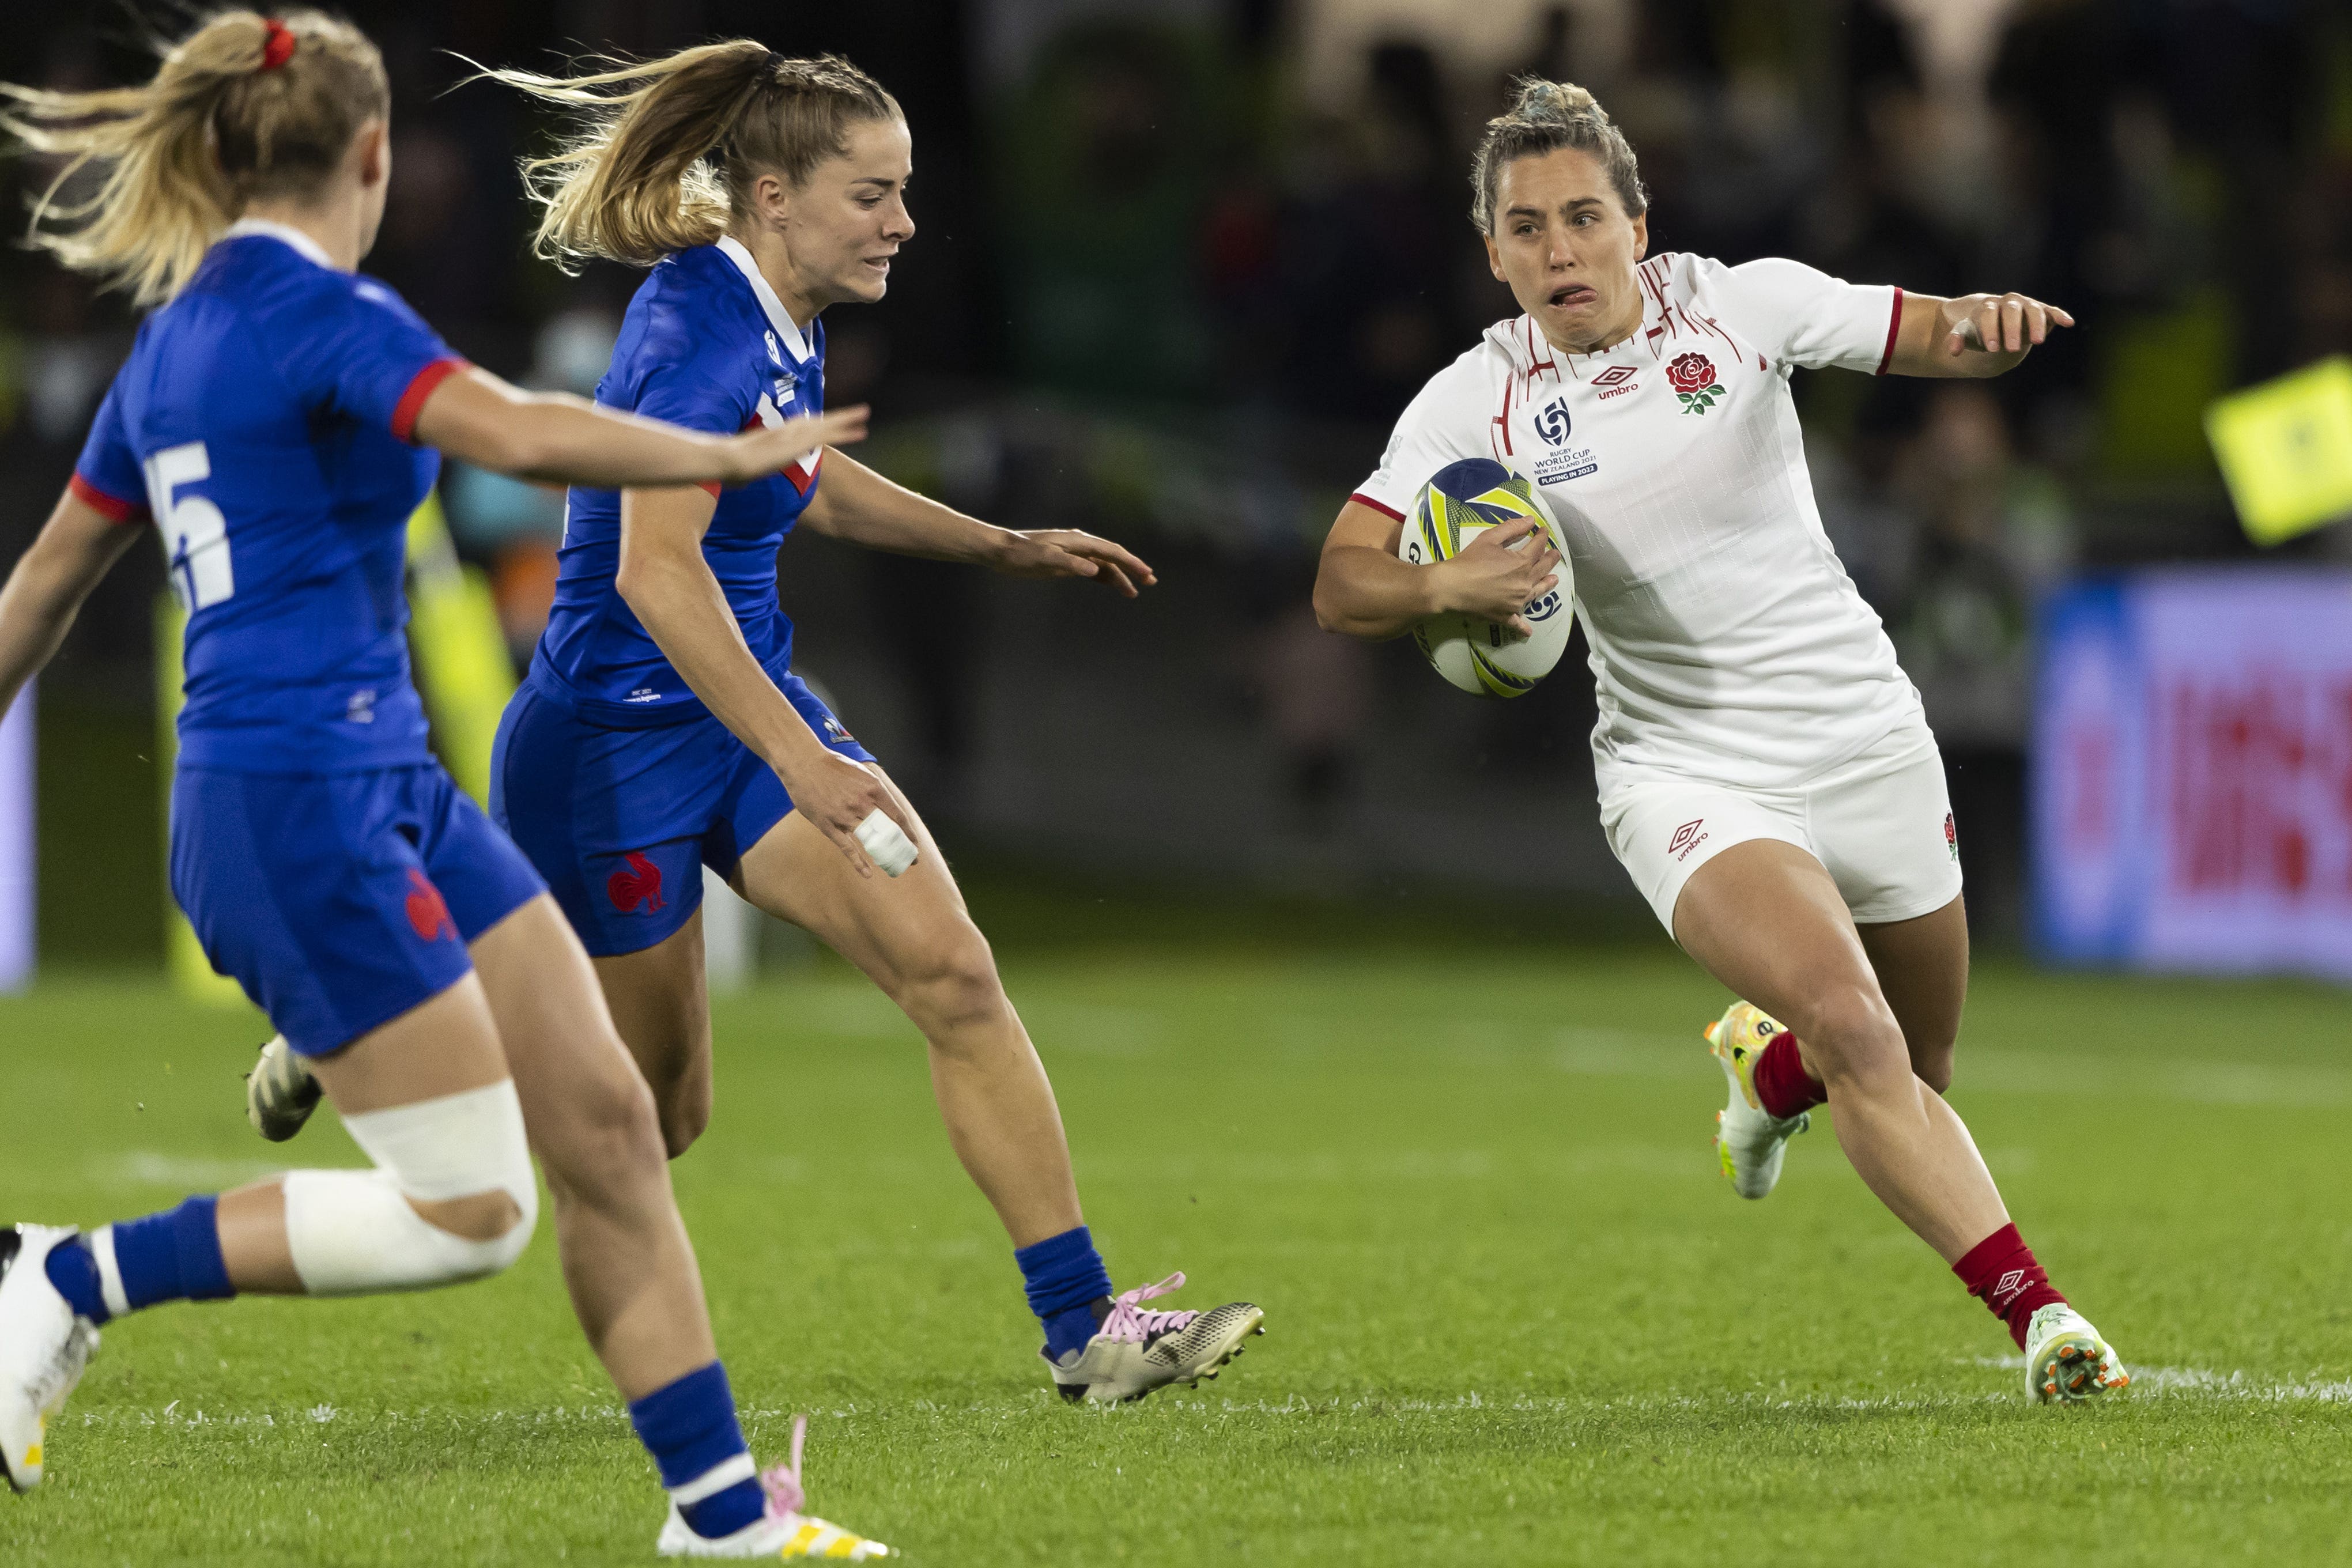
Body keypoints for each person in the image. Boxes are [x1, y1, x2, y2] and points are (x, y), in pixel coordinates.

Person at [251, 41, 1266, 1405]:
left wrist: (999, 544)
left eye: (903, 192)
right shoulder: (694, 329)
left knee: (954, 976)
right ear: (776, 196)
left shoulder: (780, 309)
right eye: (874, 195)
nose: (903, 221)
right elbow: (648, 572)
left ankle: (1085, 1333)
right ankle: (363, 1001)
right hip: (608, 756)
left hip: (743, 724)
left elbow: (807, 476)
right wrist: (803, 755)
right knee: (660, 1117)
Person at [0, 13, 887, 1556]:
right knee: (474, 1209)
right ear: (369, 154)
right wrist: (729, 458)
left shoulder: (178, 338)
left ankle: (721, 1522)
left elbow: (37, 596)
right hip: (296, 805)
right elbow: (520, 429)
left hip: (373, 781)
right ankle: (68, 1277)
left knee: (612, 1120)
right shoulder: (319, 316)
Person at [1310, 78, 2129, 1405]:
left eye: (1583, 217)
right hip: (1685, 769)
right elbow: (1343, 580)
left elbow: (1915, 332)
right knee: (1861, 1029)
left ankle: (1770, 1069)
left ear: (1640, 223)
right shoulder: (1479, 399)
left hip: (1863, 727)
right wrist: (1442, 588)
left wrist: (1990, 326)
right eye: (1525, 229)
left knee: (1913, 1066)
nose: (1558, 251)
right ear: (1492, 253)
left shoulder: (1739, 306)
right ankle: (2044, 1320)